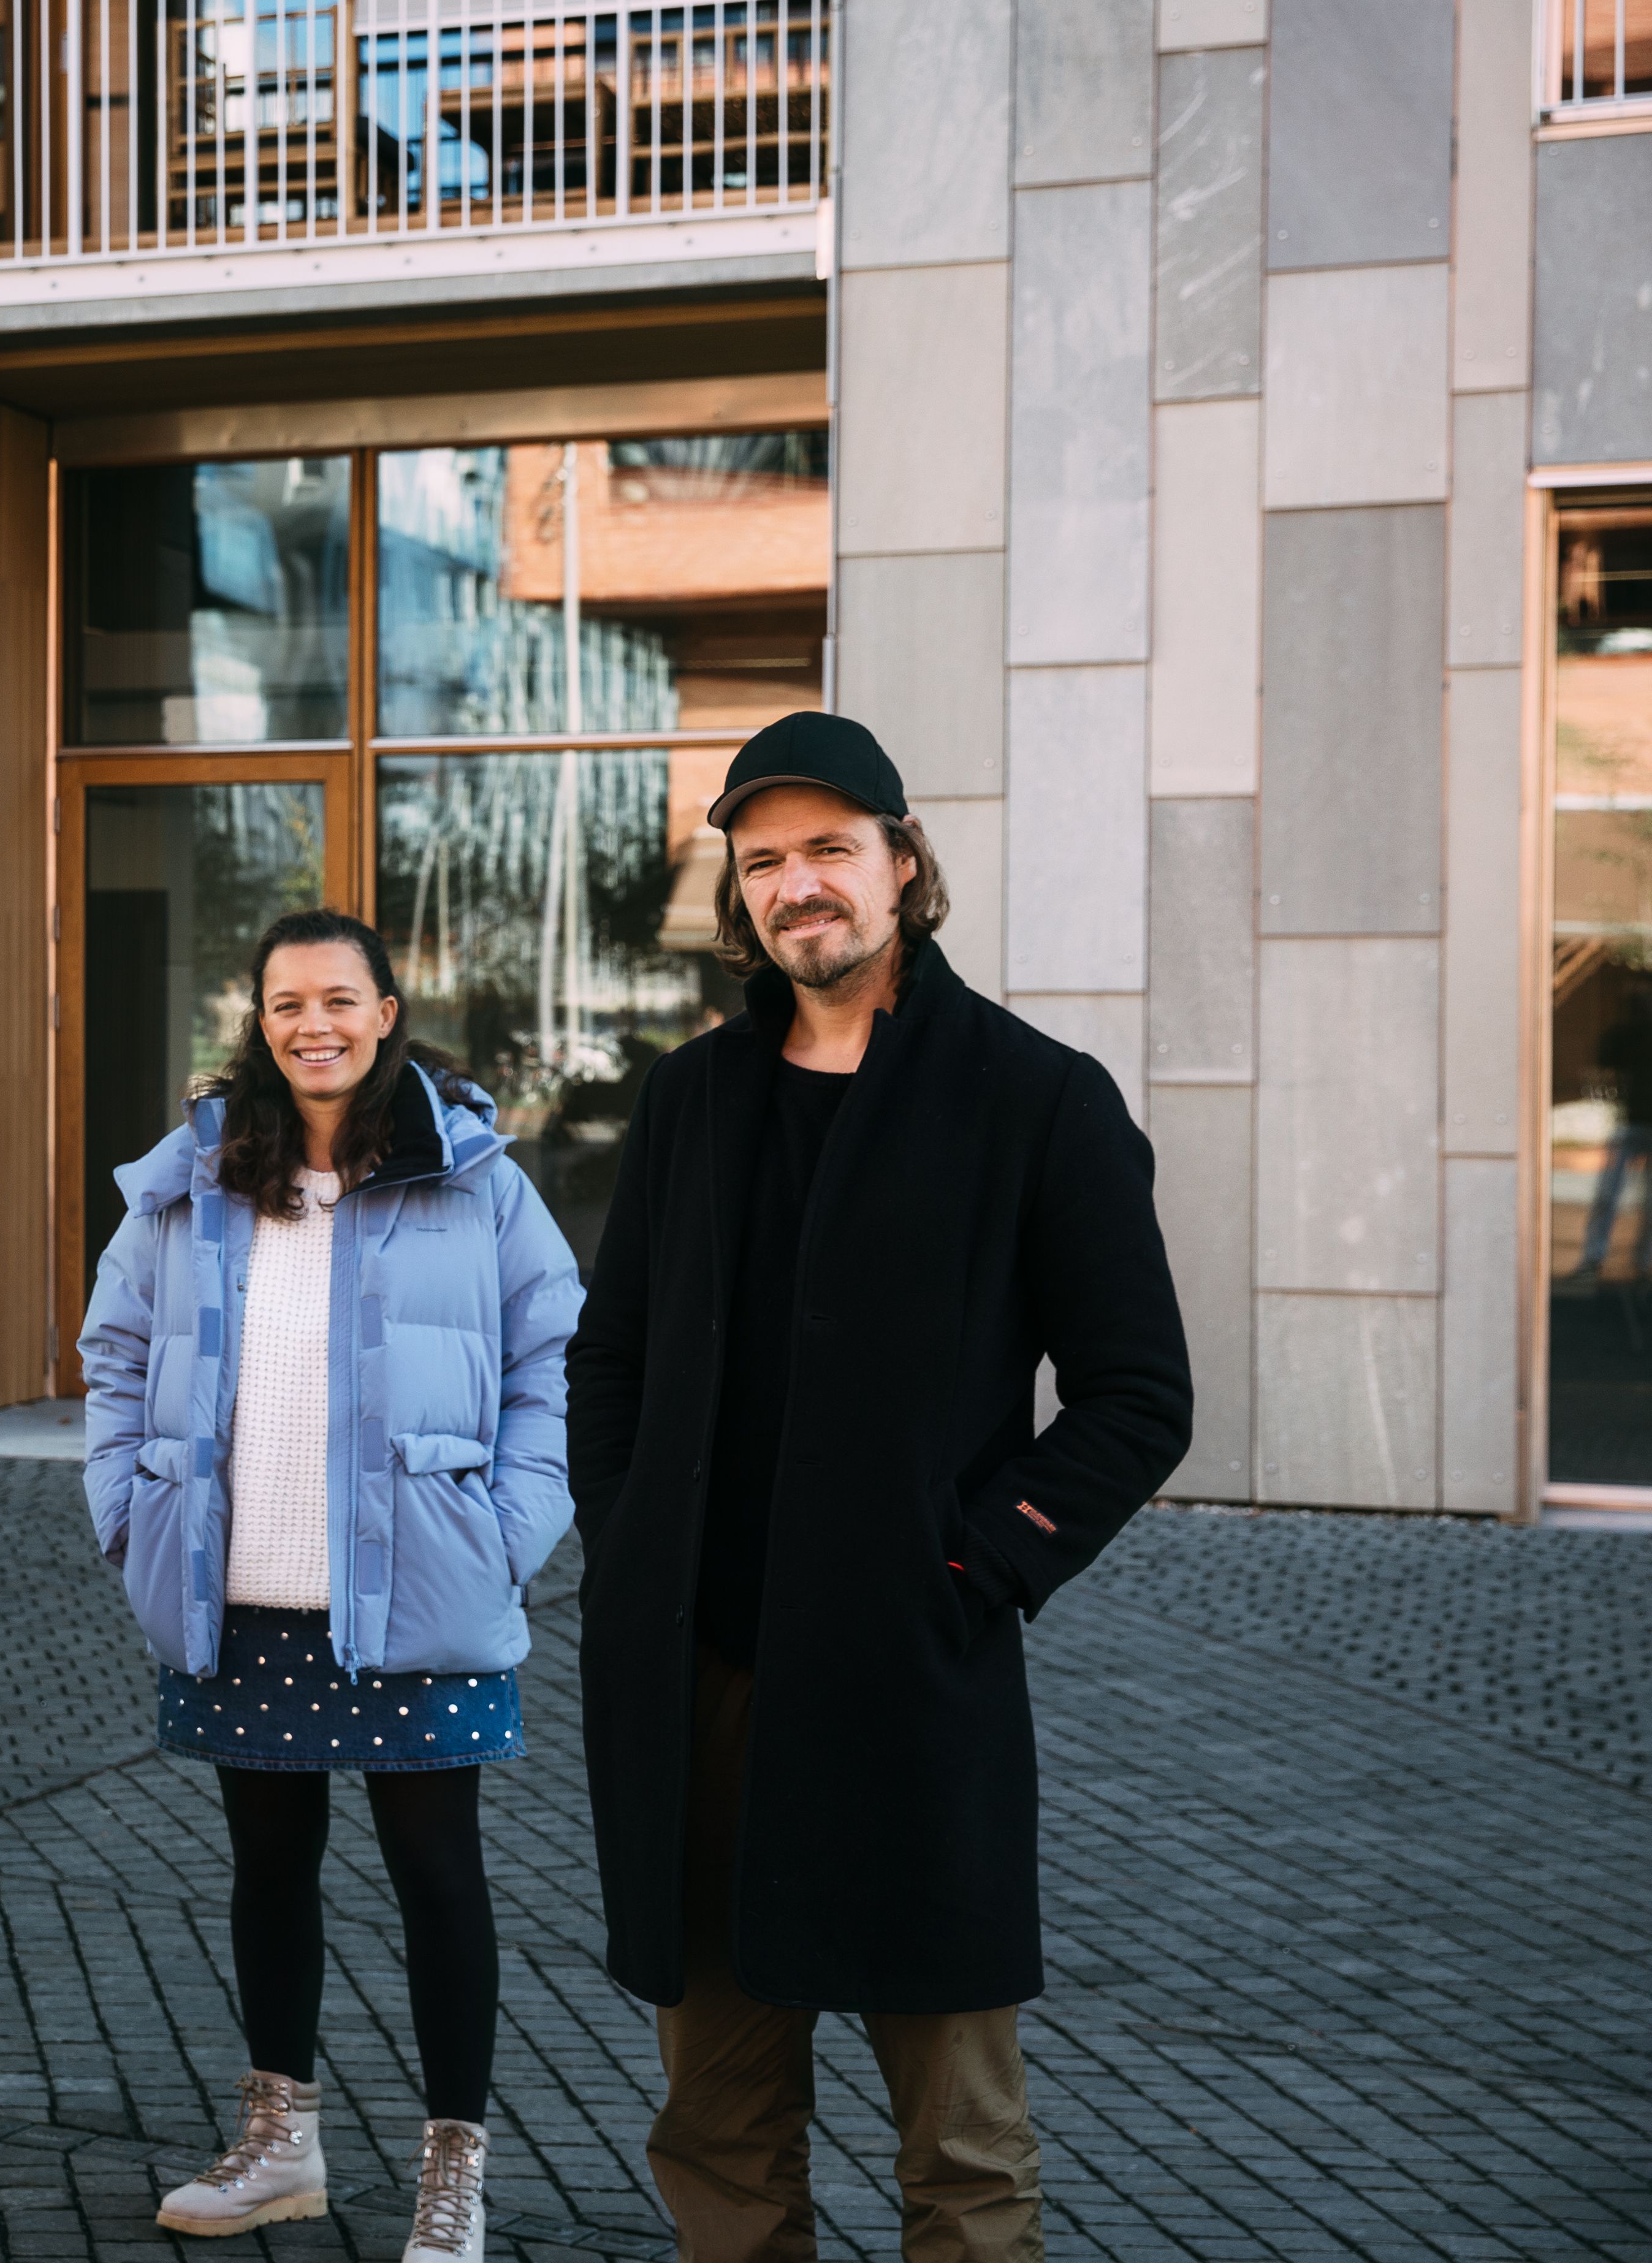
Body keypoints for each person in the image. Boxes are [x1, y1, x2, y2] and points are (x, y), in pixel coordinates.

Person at [564, 714, 1192, 2263]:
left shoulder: (1034, 1097)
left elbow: (1135, 1396)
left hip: (910, 1673)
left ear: (902, 863)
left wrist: (972, 1568)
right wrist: (627, 1534)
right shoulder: (688, 1099)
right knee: (713, 2121)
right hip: (695, 1680)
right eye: (761, 859)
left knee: (961, 2141)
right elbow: (610, 1355)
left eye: (828, 848)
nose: (796, 886)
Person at [82, 908, 583, 2263]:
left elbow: (556, 1361)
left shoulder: (472, 1176)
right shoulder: (197, 1176)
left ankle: (452, 2174)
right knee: (268, 1866)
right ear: (260, 1020)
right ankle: (282, 2146)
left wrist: (508, 1528)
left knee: (439, 1876)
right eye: (289, 1003)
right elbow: (116, 1351)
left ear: (386, 1012)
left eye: (340, 1000)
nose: (316, 1024)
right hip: (242, 1592)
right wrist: (131, 1515)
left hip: (426, 1586)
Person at [1573, 984, 1652, 1276]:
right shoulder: (1627, 1037)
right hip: (1631, 1122)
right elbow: (1605, 1056)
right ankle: (1594, 1257)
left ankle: (1642, 1262)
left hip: (1635, 1122)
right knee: (1608, 1194)